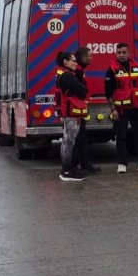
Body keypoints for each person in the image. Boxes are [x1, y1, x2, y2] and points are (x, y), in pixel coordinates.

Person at [105, 43, 138, 174]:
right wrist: (112, 109)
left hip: (136, 107)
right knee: (121, 136)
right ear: (116, 54)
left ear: (128, 53)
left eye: (124, 52)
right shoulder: (112, 69)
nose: (121, 55)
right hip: (121, 109)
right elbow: (108, 92)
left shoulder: (136, 66)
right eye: (119, 52)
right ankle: (122, 163)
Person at [56, 52, 88, 181]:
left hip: (69, 112)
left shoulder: (64, 74)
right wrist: (82, 86)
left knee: (68, 142)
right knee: (69, 142)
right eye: (73, 61)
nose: (76, 63)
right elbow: (82, 92)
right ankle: (67, 172)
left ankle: (68, 169)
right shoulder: (67, 76)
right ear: (65, 62)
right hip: (70, 113)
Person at [73, 46, 100, 174]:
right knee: (79, 139)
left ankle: (83, 165)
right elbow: (79, 91)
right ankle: (80, 166)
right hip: (76, 112)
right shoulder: (78, 72)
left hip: (78, 111)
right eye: (90, 56)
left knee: (81, 138)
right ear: (83, 57)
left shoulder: (79, 70)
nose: (92, 58)